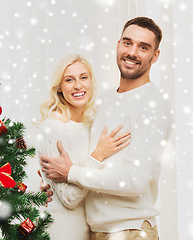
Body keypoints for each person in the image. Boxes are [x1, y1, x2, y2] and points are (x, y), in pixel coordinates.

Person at [40, 17, 173, 240]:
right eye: (127, 43)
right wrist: (50, 184)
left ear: (155, 56)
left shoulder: (153, 105)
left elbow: (134, 182)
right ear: (118, 44)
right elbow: (86, 154)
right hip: (96, 231)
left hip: (131, 230)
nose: (132, 52)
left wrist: (72, 173)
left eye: (143, 47)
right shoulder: (104, 101)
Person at [35, 54, 131, 240]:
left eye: (83, 77)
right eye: (69, 80)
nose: (78, 85)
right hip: (62, 231)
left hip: (90, 230)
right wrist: (98, 155)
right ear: (60, 88)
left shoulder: (90, 126)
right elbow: (69, 199)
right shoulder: (53, 128)